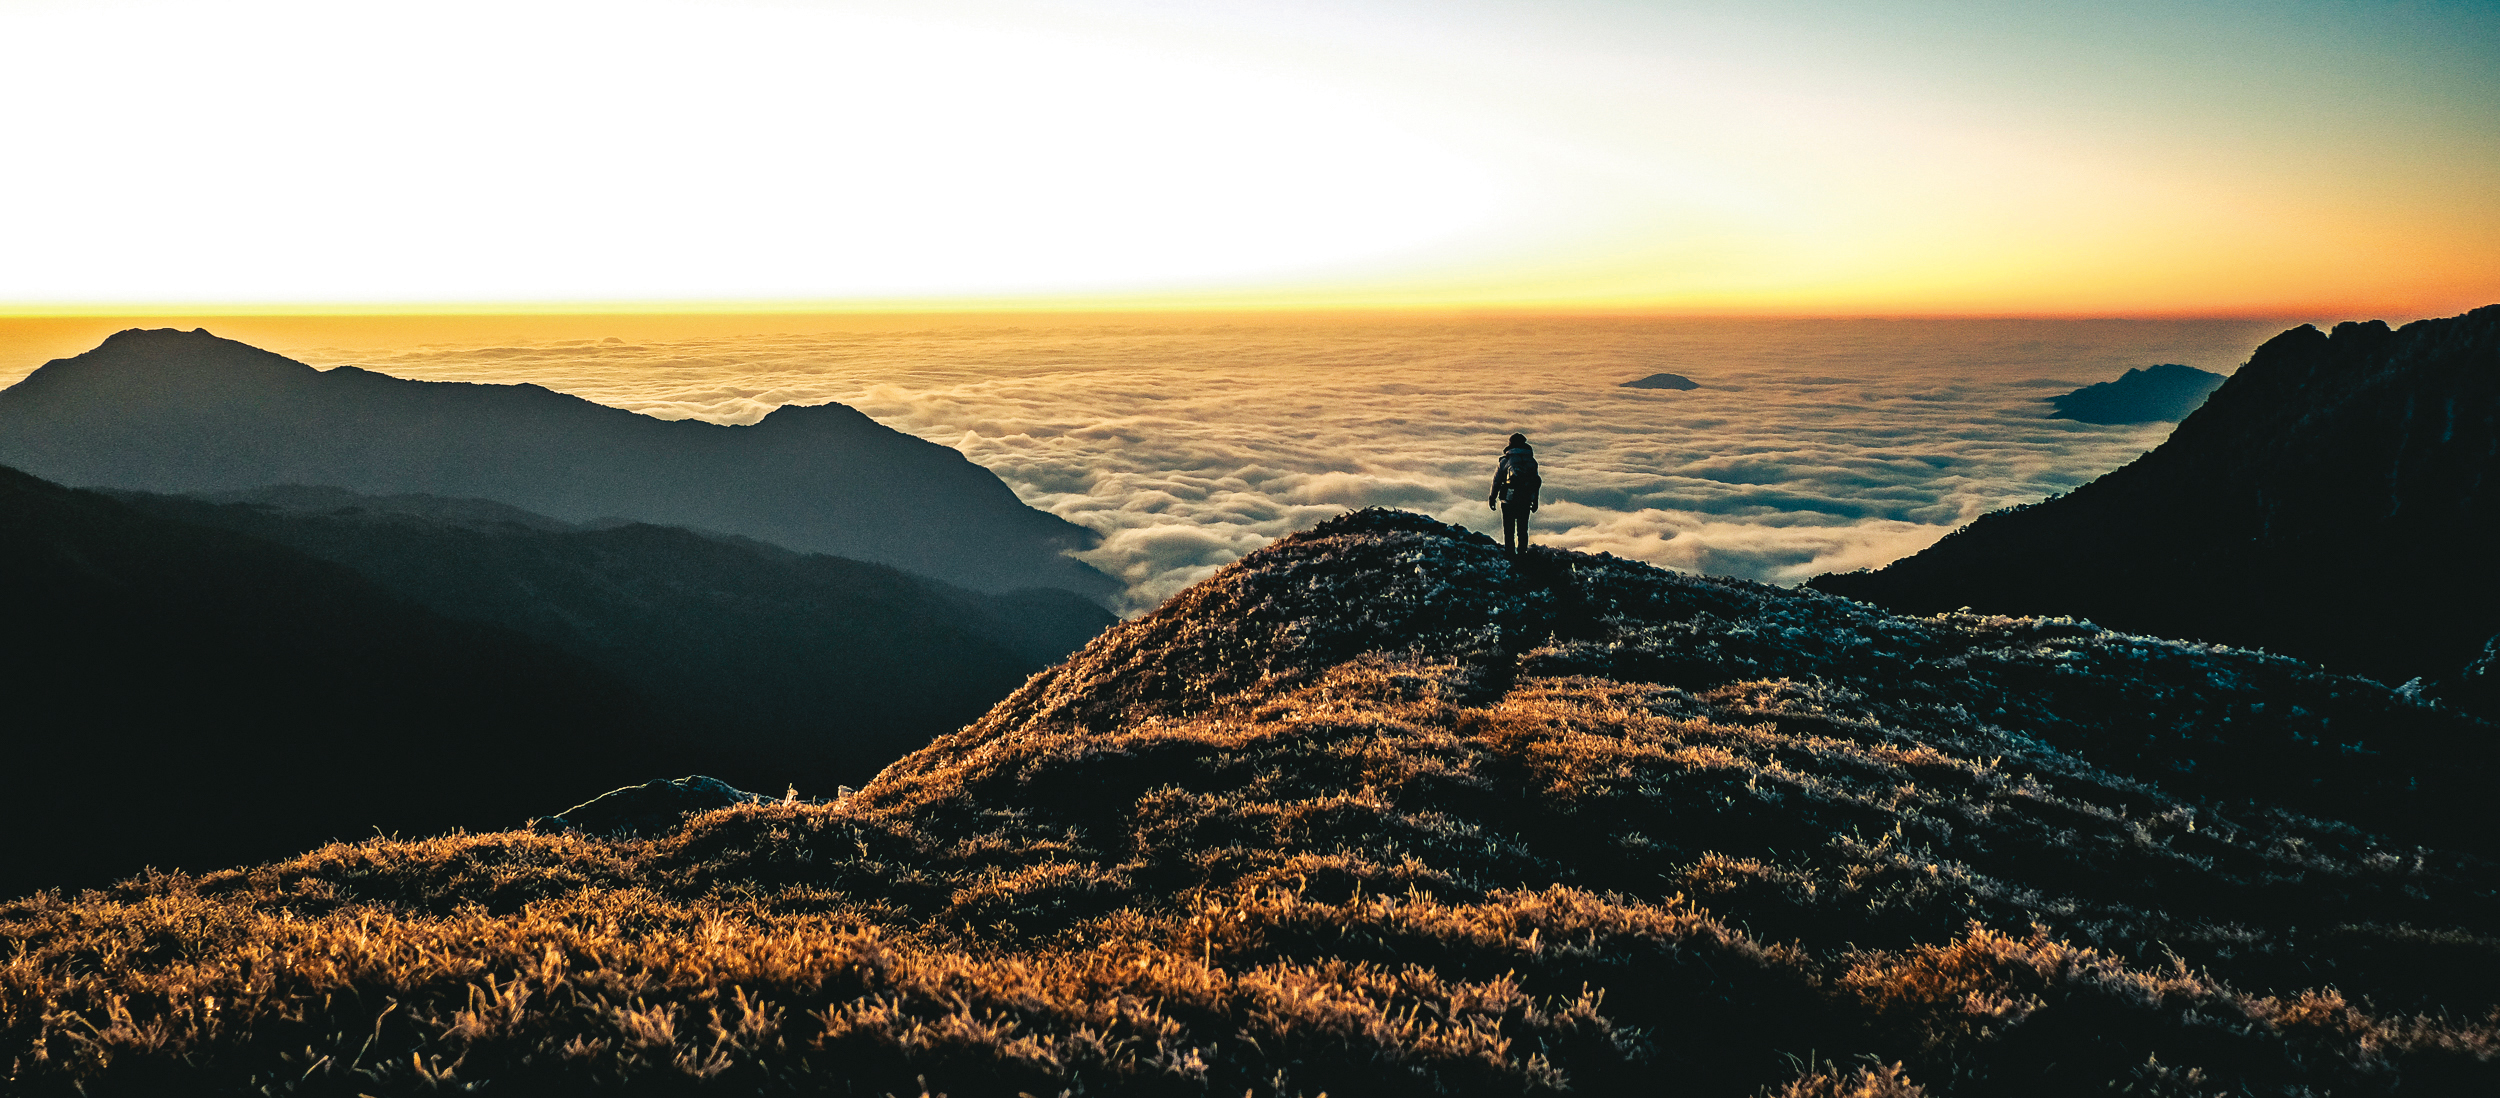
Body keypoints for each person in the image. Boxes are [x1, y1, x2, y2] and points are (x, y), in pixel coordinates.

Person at [1489, 433, 1541, 554]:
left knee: (1509, 529)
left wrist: (1492, 497)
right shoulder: (1532, 461)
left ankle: (1510, 554)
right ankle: (1522, 554)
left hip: (1508, 499)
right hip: (1526, 499)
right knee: (1522, 529)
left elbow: (1497, 481)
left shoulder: (1505, 461)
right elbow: (1535, 483)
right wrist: (1535, 501)